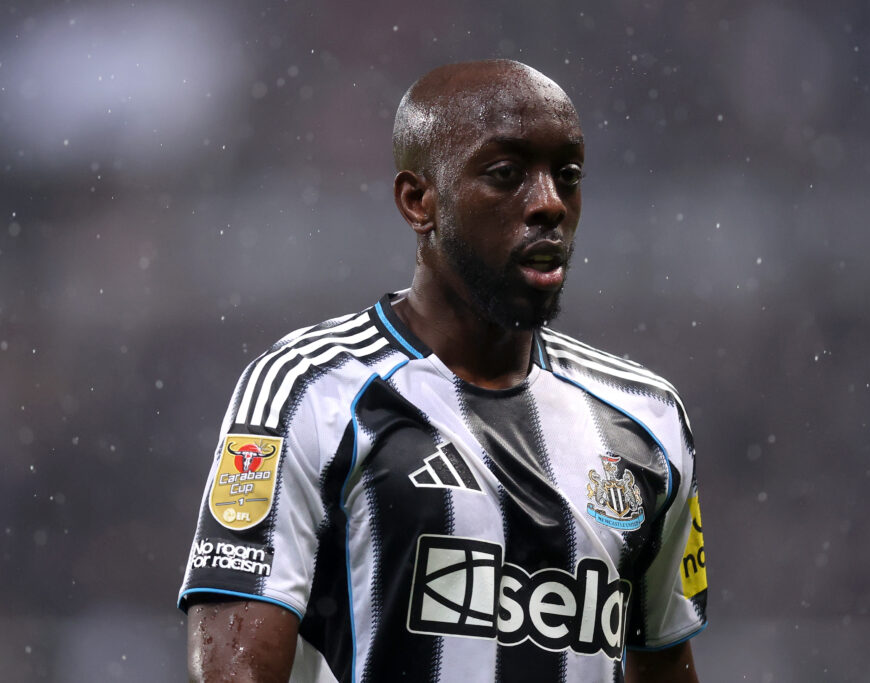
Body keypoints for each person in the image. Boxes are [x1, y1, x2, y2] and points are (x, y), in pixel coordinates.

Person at [179, 59, 707, 683]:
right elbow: (232, 668)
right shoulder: (306, 391)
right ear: (418, 200)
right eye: (506, 174)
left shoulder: (646, 419)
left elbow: (663, 663)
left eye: (567, 175)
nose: (549, 204)